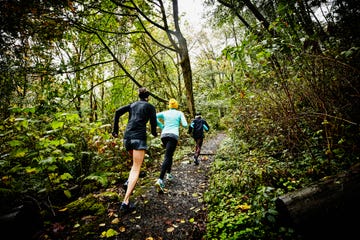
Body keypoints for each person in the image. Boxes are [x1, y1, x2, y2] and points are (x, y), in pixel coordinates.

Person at [112, 87, 158, 213]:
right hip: (139, 138)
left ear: (139, 96)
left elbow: (117, 112)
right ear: (148, 97)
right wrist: (154, 133)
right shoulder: (150, 107)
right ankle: (125, 202)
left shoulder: (132, 105)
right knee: (136, 167)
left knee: (135, 165)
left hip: (127, 138)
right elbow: (153, 124)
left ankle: (128, 181)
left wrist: (115, 130)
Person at [155, 98, 188, 193]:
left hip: (164, 135)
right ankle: (160, 180)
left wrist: (161, 126)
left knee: (170, 155)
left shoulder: (164, 113)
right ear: (176, 105)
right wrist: (180, 124)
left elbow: (154, 116)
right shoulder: (179, 113)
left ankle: (169, 174)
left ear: (169, 105)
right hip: (173, 136)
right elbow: (185, 125)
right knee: (168, 156)